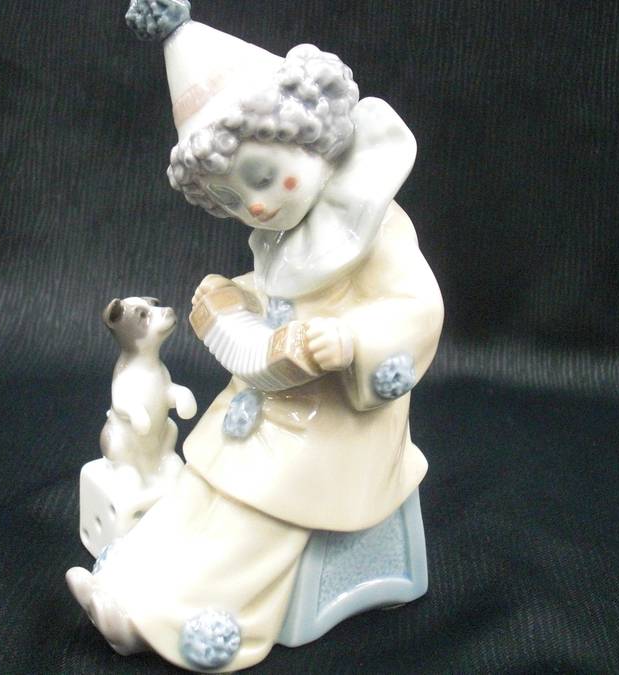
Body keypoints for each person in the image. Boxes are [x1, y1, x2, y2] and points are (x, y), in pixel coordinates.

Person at [66, 4, 443, 671]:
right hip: (268, 402)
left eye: (263, 180)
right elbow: (281, 292)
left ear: (312, 141)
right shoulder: (279, 235)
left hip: (337, 419)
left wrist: (352, 340)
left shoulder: (374, 222)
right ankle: (129, 580)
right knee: (202, 484)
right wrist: (234, 296)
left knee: (256, 509)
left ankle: (172, 617)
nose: (257, 207)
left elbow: (415, 305)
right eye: (234, 201)